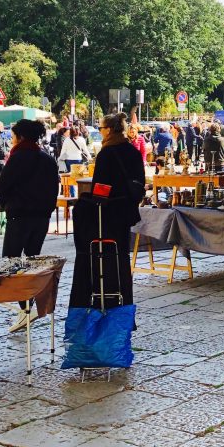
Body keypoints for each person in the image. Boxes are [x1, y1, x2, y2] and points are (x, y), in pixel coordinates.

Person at [0, 119, 59, 332]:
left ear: (21, 137)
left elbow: (2, 184)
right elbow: (54, 188)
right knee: (33, 260)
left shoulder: (18, 157)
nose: (12, 139)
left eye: (14, 135)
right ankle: (29, 305)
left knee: (11, 262)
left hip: (20, 216)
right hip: (42, 217)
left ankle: (25, 308)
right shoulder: (47, 158)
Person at [70, 113, 145, 309]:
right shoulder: (133, 151)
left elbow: (100, 188)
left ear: (109, 130)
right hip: (126, 212)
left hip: (108, 214)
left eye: (102, 129)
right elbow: (140, 184)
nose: (101, 132)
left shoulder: (107, 153)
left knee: (106, 256)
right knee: (122, 256)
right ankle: (125, 299)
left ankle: (108, 299)